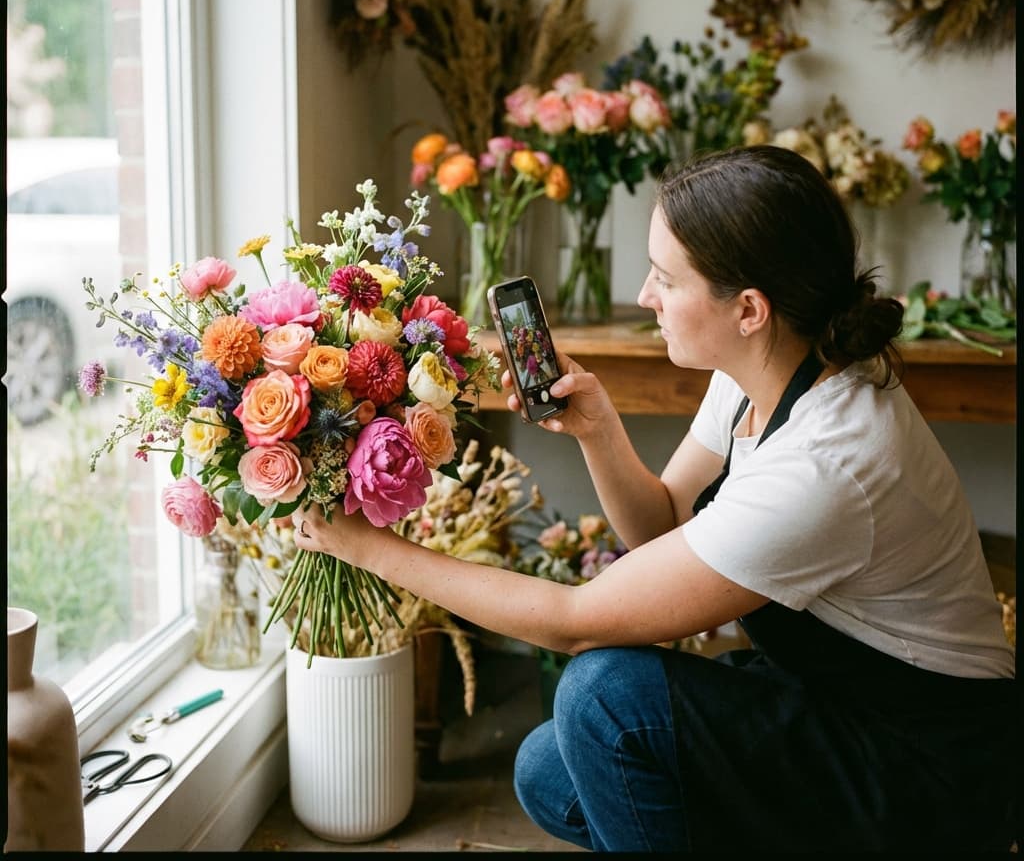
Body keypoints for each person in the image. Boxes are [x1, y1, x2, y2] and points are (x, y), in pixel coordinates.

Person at [296, 145, 1016, 853]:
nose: (644, 297)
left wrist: (372, 549)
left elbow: (577, 624)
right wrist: (599, 429)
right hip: (831, 700)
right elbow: (665, 524)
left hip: (929, 767)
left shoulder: (829, 460)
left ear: (750, 310)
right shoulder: (762, 369)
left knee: (602, 694)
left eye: (666, 279)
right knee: (551, 771)